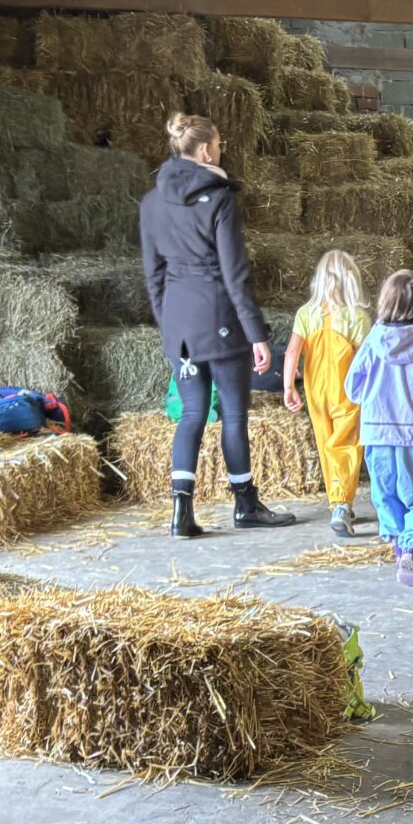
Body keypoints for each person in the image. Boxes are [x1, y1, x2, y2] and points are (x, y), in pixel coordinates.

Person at [140, 111, 296, 537]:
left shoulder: (151, 203)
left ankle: (181, 512)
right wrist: (256, 334)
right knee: (233, 413)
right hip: (220, 319)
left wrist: (169, 326)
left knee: (192, 412)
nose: (221, 150)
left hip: (180, 324)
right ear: (206, 150)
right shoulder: (220, 199)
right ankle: (245, 504)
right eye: (220, 144)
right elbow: (235, 275)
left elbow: (153, 275)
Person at [344, 268, 413, 587]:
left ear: (384, 303)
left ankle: (400, 552)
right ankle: (411, 549)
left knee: (387, 495)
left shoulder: (371, 344)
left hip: (377, 433)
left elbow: (352, 389)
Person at [283, 249, 373, 539]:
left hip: (316, 392)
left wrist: (288, 387)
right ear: (352, 281)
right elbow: (365, 360)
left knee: (326, 443)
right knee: (346, 445)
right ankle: (341, 504)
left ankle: (337, 498)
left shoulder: (306, 314)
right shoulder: (358, 317)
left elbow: (292, 352)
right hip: (348, 392)